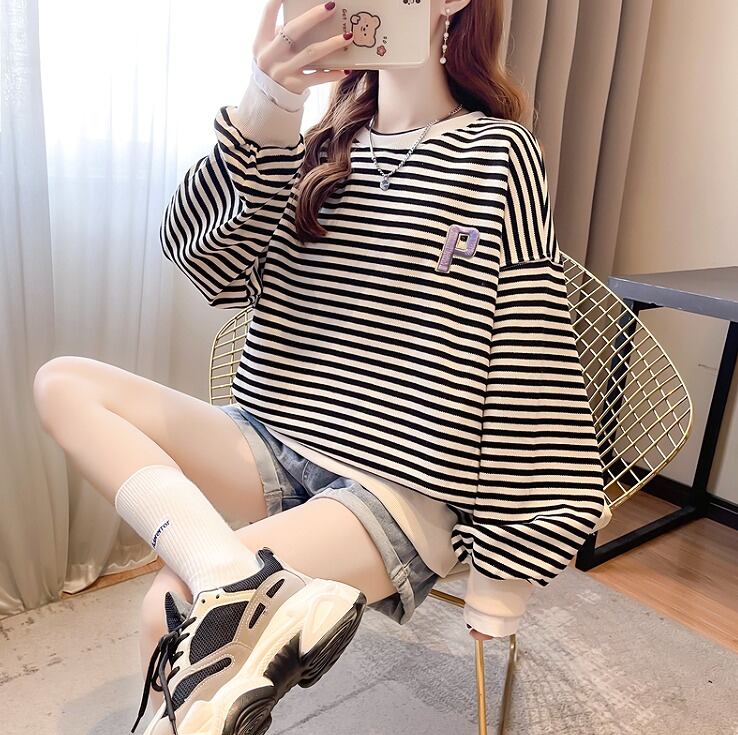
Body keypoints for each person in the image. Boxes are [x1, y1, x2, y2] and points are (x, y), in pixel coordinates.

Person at [33, 0, 611, 733]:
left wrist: (505, 576)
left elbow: (529, 355)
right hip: (275, 435)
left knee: (168, 608)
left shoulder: (499, 154)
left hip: (399, 483)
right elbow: (204, 262)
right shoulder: (313, 147)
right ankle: (231, 577)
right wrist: (267, 107)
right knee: (64, 382)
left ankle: (218, 610)